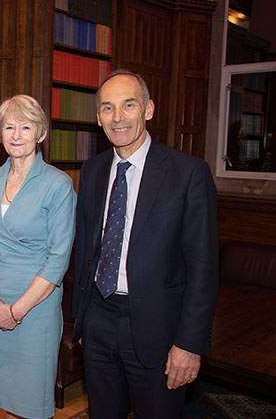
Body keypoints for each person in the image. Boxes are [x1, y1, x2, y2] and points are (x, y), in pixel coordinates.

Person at [72, 69, 219, 419]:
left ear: (148, 109)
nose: (118, 117)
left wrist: (189, 344)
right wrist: (82, 320)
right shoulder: (92, 170)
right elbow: (85, 251)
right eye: (107, 108)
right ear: (98, 117)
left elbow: (204, 268)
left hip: (159, 330)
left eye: (128, 105)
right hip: (99, 321)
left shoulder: (188, 173)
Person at [0, 95, 76, 419]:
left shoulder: (58, 185)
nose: (17, 135)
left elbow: (58, 261)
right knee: (6, 401)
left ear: (41, 133)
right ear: (0, 135)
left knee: (31, 405)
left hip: (34, 313)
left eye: (26, 126)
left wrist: (16, 311)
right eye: (9, 127)